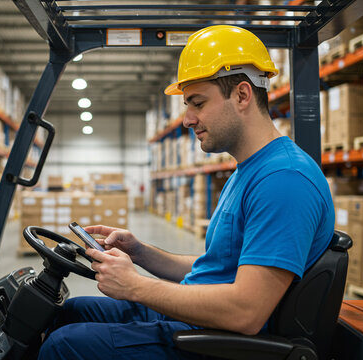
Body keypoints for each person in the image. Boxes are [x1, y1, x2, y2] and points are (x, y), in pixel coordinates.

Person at [37, 25, 335, 359]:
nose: (187, 119)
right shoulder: (251, 170)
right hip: (200, 320)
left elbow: (246, 313)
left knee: (62, 347)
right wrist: (139, 251)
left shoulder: (284, 180)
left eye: (197, 103)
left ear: (241, 95)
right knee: (69, 312)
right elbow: (220, 266)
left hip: (219, 340)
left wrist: (136, 286)